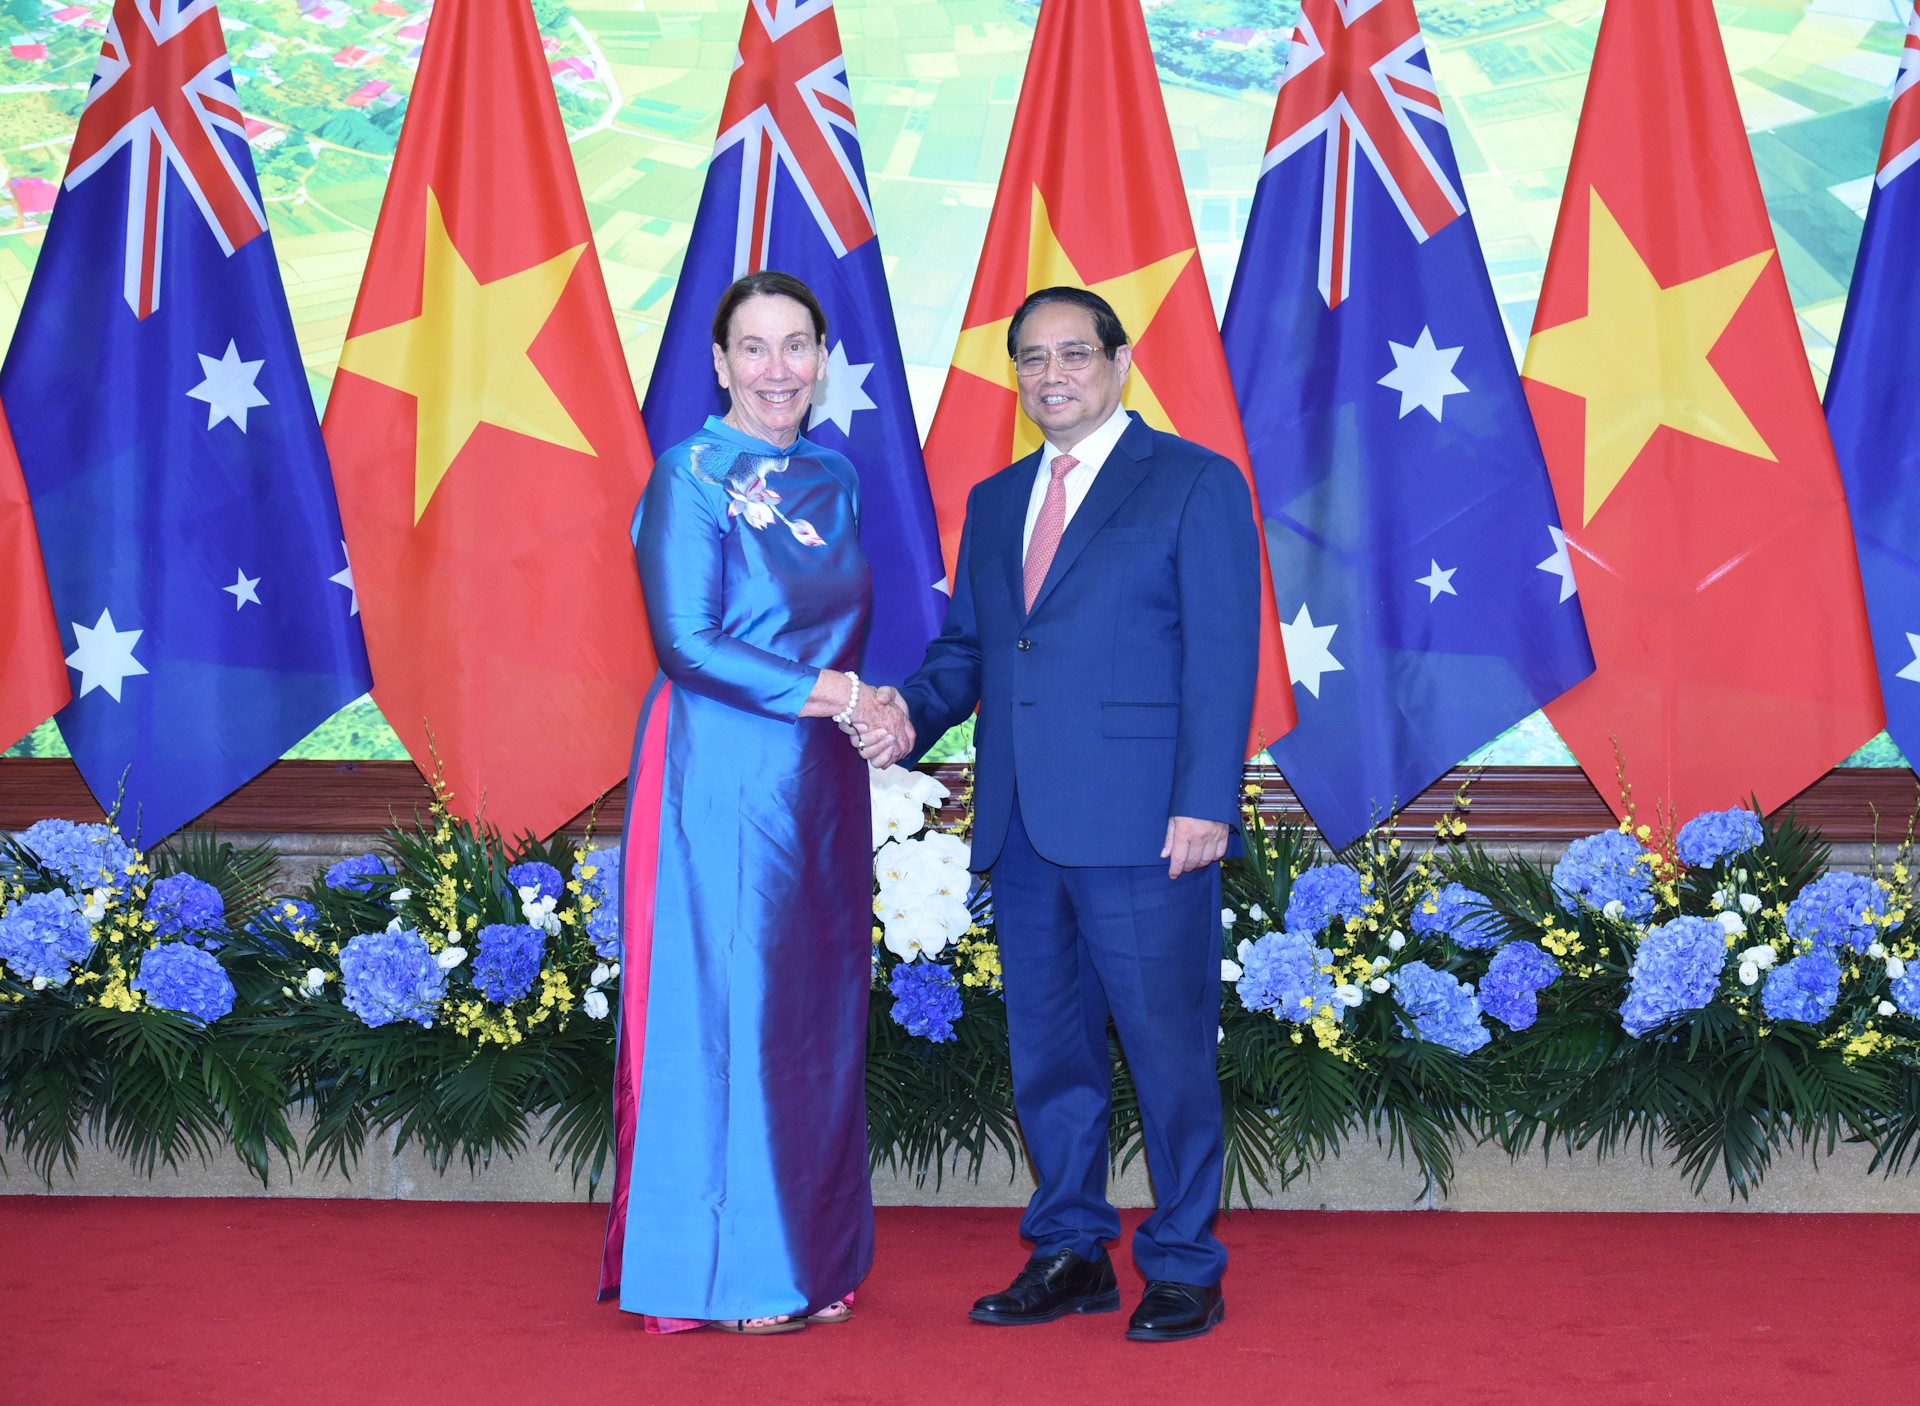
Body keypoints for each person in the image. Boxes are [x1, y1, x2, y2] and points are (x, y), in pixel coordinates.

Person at [859, 286, 1259, 1343]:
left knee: (1167, 1049)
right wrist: (905, 712)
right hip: (1024, 828)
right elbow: (971, 654)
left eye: (1074, 353)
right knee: (1050, 1053)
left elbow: (1223, 654)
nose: (1053, 375)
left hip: (1147, 827)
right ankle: (1072, 1246)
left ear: (1120, 362)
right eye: (1032, 358)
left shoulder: (1192, 482)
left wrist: (1204, 801)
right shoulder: (997, 499)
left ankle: (1182, 1260)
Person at [597, 270, 905, 1335]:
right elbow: (689, 641)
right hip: (721, 769)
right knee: (733, 1008)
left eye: (796, 346)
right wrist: (843, 696)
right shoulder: (688, 475)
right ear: (721, 364)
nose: (778, 369)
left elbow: (843, 631)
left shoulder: (837, 474)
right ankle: (731, 1270)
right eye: (754, 349)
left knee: (813, 1015)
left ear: (822, 357)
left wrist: (867, 713)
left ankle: (811, 1257)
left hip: (818, 776)